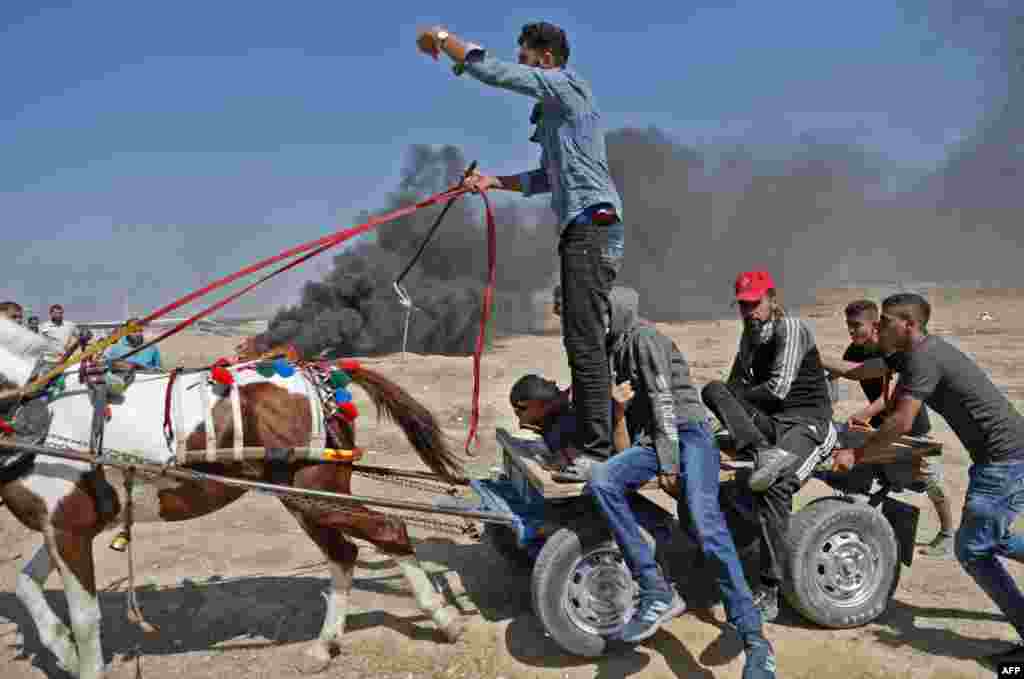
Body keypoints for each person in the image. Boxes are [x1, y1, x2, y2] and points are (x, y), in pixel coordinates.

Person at [417, 21, 624, 478]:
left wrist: (441, 37)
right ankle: (593, 441)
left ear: (545, 58)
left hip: (592, 223)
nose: (523, 66)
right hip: (582, 225)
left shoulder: (566, 87)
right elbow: (546, 178)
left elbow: (493, 73)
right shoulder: (557, 118)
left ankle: (597, 452)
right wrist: (494, 182)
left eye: (527, 57)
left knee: (585, 342)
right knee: (580, 339)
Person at [532, 293, 777, 675]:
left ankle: (756, 643)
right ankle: (654, 587)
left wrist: (667, 460)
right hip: (653, 439)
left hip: (690, 434)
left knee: (707, 526)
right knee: (603, 481)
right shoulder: (612, 350)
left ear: (608, 311)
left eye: (589, 316)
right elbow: (623, 427)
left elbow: (664, 401)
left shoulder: (643, 338)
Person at [832, 293, 1024, 670]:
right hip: (1005, 455)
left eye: (886, 321)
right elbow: (867, 373)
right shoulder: (912, 354)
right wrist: (817, 360)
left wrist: (856, 454)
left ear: (909, 325)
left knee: (972, 550)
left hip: (1003, 461)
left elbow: (902, 420)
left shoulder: (923, 358)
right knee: (991, 536)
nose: (879, 327)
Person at [700, 270, 836, 623]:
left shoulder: (790, 327)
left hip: (807, 422)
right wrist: (725, 412)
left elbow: (777, 389)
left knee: (776, 486)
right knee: (712, 389)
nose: (749, 312)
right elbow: (731, 385)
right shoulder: (750, 334)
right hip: (770, 426)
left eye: (755, 304)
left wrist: (736, 401)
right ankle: (762, 450)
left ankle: (770, 586)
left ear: (772, 298)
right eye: (743, 306)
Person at [821, 299, 955, 557]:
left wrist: (864, 412)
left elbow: (895, 393)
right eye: (848, 326)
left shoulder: (889, 350)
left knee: (929, 481)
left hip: (910, 424)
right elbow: (841, 372)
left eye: (856, 326)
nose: (851, 331)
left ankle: (948, 534)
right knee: (866, 472)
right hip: (880, 427)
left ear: (875, 325)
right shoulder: (854, 352)